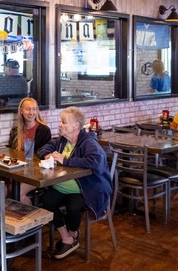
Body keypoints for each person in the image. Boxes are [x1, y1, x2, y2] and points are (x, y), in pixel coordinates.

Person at [38, 107, 112, 260]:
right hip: (62, 185)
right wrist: (48, 155)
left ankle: (73, 234)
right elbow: (42, 149)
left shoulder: (88, 142)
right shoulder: (61, 140)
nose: (59, 124)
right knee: (46, 200)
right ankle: (67, 237)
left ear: (76, 126)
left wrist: (65, 160)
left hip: (86, 187)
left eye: (64, 122)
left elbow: (95, 161)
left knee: (73, 206)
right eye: (60, 121)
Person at [8, 97, 52, 204]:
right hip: (19, 172)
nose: (31, 113)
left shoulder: (44, 130)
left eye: (34, 109)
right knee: (5, 190)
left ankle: (31, 219)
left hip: (38, 174)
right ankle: (11, 219)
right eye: (28, 109)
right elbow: (12, 153)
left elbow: (45, 156)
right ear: (21, 111)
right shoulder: (15, 131)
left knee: (18, 193)